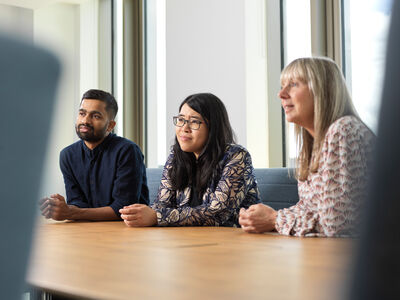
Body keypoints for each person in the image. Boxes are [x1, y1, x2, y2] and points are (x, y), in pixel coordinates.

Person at [239, 57, 375, 237]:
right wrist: (263, 217)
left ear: (323, 91)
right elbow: (309, 209)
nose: (281, 94)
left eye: (294, 84)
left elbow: (336, 225)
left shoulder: (343, 130)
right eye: (282, 85)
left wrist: (274, 219)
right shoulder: (312, 144)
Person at [120, 93, 260, 227]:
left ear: (213, 127)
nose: (184, 128)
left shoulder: (237, 156)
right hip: (186, 239)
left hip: (231, 240)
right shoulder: (176, 156)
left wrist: (156, 217)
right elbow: (162, 204)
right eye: (181, 120)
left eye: (194, 122)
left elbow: (218, 213)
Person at [39, 89, 149, 221]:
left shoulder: (127, 151)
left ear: (110, 125)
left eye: (95, 116)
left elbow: (123, 209)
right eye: (82, 113)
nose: (85, 121)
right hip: (87, 228)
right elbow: (77, 202)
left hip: (128, 230)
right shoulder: (67, 155)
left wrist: (72, 213)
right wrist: (60, 208)